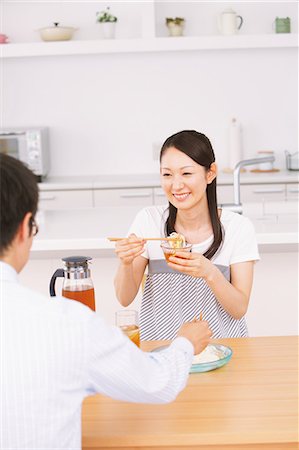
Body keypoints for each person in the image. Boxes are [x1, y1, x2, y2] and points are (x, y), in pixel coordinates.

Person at [0, 153, 212, 450]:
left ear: (209, 175)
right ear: (25, 228)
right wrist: (185, 343)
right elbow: (157, 382)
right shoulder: (66, 324)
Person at [114, 130, 260, 340]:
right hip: (162, 351)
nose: (176, 185)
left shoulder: (238, 228)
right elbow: (124, 298)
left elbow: (239, 308)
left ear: (210, 173)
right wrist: (126, 263)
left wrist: (210, 272)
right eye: (167, 174)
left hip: (222, 350)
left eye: (187, 173)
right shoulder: (149, 221)